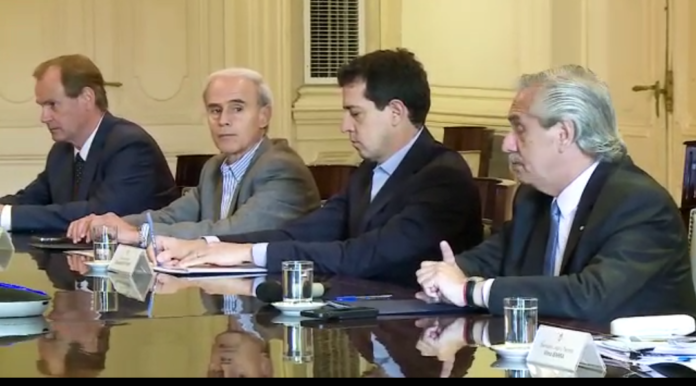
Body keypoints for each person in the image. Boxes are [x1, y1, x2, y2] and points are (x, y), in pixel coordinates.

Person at [150, 48, 483, 286]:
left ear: (396, 112)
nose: (344, 126)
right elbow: (302, 231)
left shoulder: (443, 177)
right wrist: (210, 245)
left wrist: (249, 252)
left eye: (355, 113)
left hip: (425, 340)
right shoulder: (367, 171)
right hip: (368, 324)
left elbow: (365, 255)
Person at [415, 64, 696, 322]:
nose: (507, 144)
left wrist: (469, 291)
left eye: (520, 129)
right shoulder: (535, 196)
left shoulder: (639, 203)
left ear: (564, 134)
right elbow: (494, 257)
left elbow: (590, 295)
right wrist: (447, 273)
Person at [66, 68, 320, 244]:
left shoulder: (282, 167)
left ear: (264, 116)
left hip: (275, 296)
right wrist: (111, 223)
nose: (223, 120)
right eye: (215, 110)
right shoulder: (214, 167)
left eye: (237, 109)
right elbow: (170, 216)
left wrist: (138, 235)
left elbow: (234, 232)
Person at [0, 54, 177, 233]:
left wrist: (6, 216)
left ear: (87, 98)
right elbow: (29, 199)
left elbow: (100, 214)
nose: (44, 117)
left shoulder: (131, 146)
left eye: (52, 105)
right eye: (42, 106)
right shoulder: (61, 151)